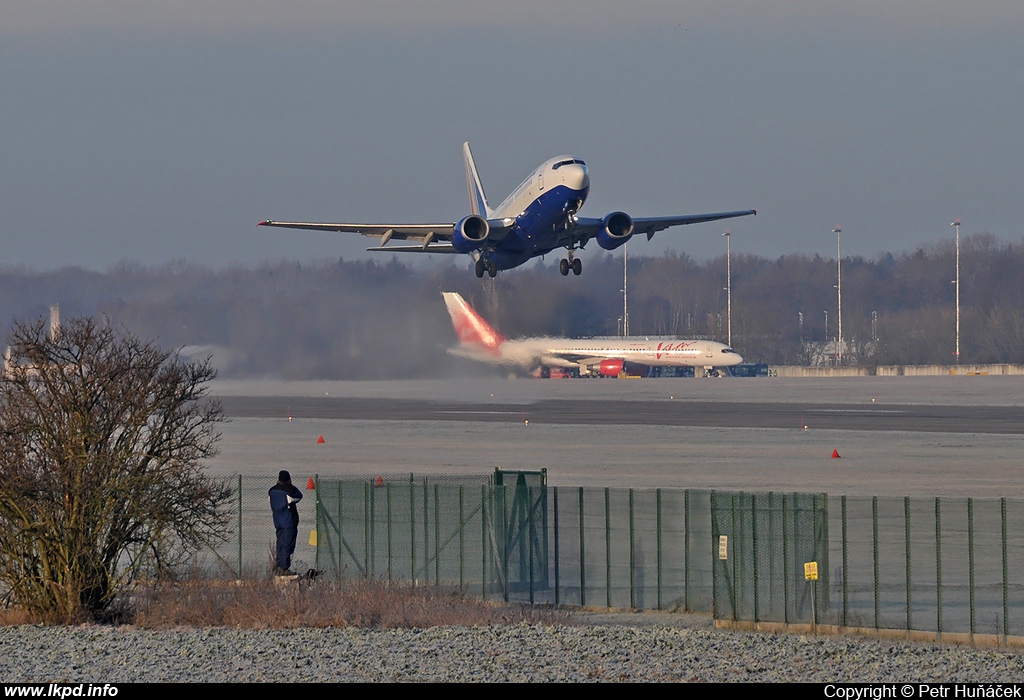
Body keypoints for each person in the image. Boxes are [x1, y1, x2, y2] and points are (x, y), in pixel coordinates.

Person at [268, 470, 303, 575]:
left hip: (278, 521)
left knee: (280, 544)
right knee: (288, 545)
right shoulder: (289, 490)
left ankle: (279, 566)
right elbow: (299, 496)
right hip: (289, 521)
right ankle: (284, 568)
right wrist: (290, 485)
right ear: (288, 480)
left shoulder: (272, 491)